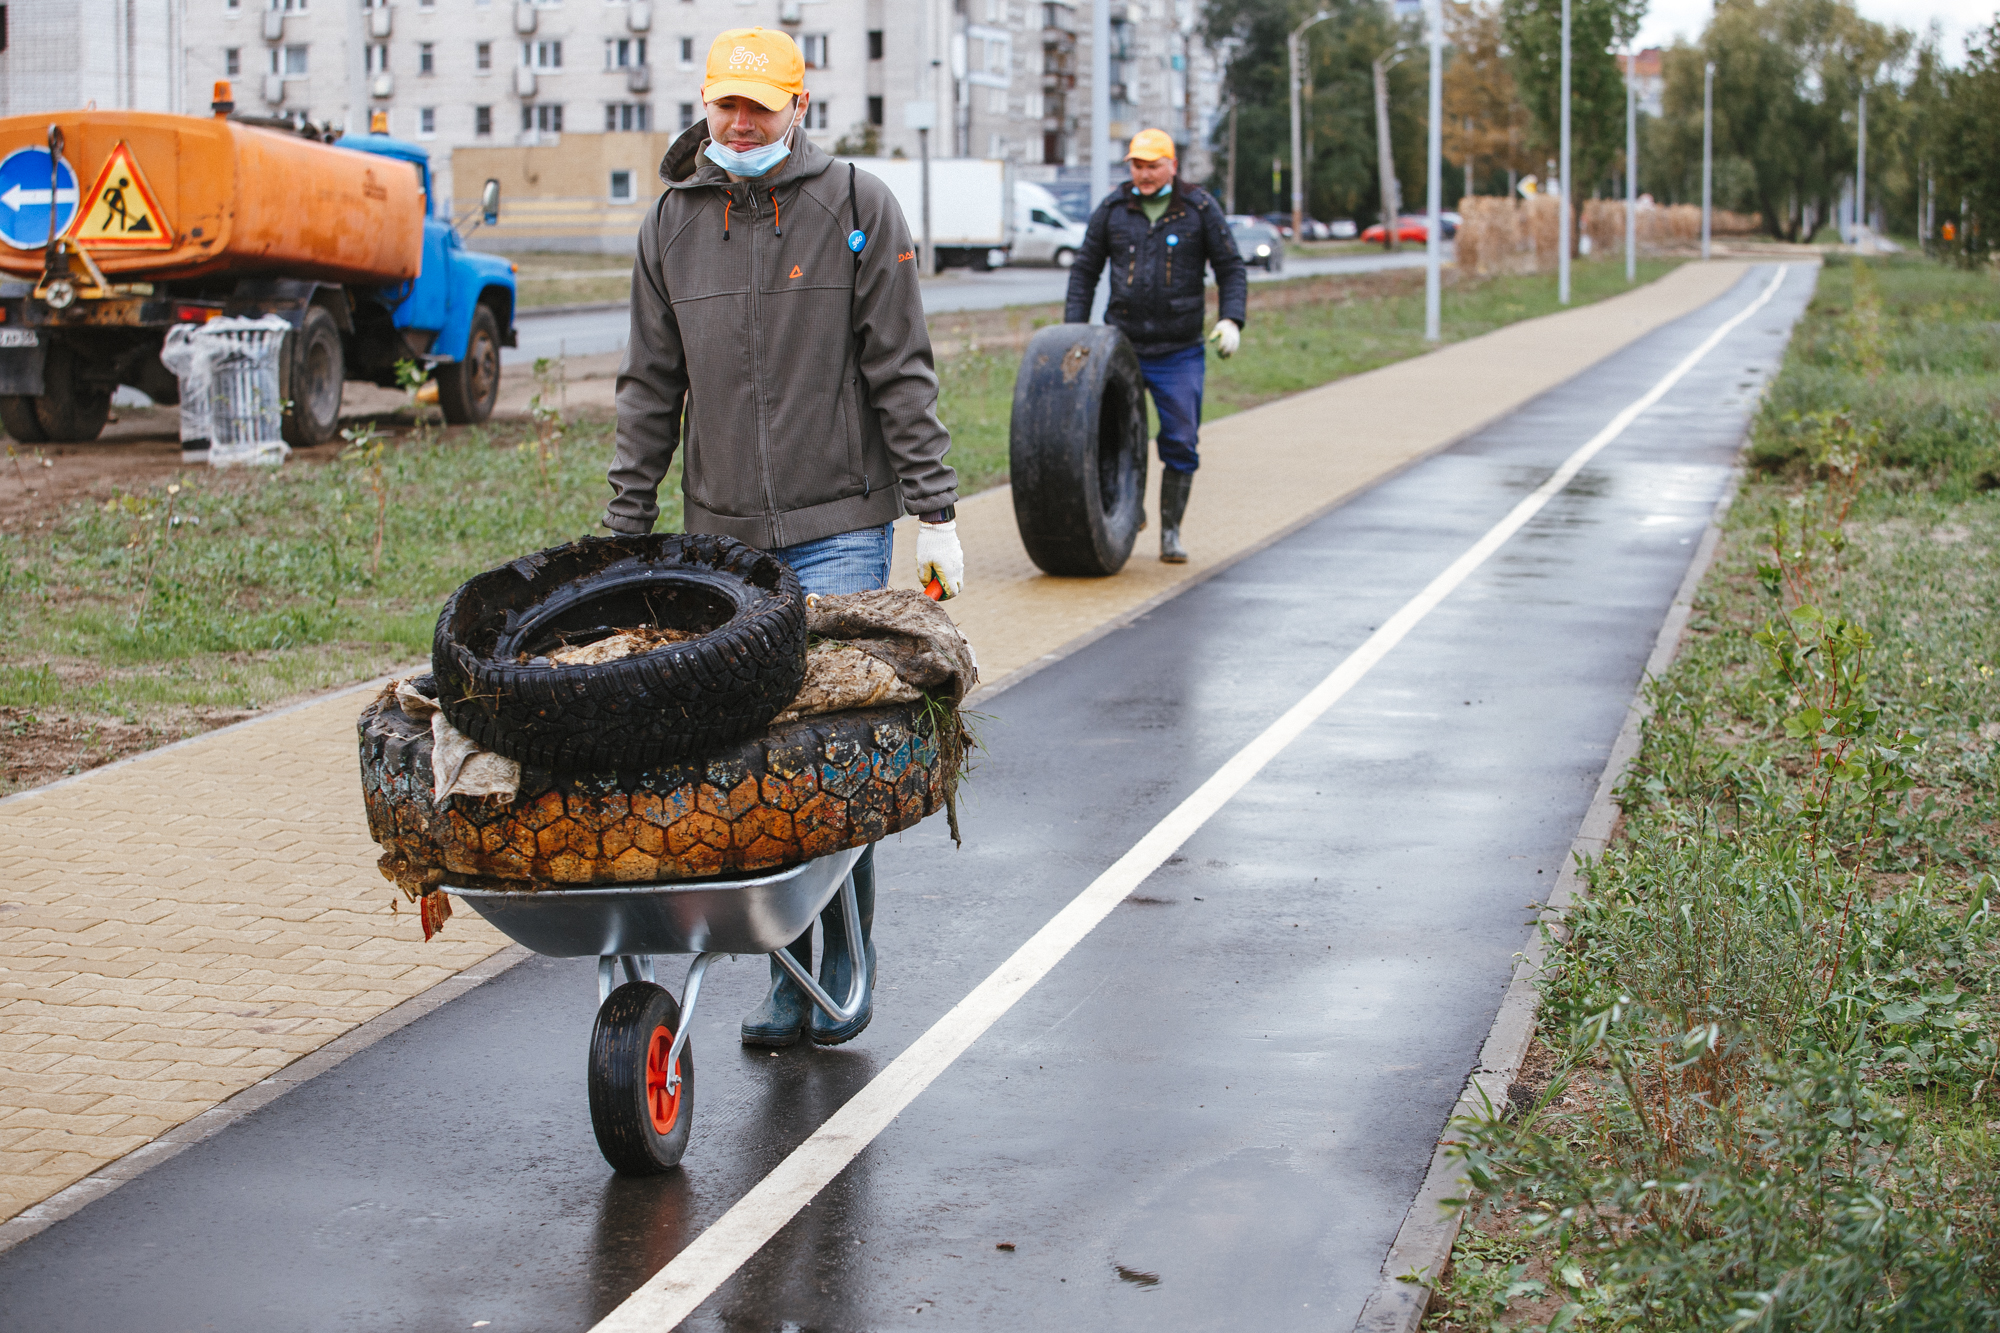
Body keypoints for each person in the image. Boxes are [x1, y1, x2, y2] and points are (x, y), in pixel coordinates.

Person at [602, 26, 965, 1048]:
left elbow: (901, 367)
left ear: (797, 106)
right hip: (724, 541)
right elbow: (647, 394)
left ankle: (836, 960)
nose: (740, 121)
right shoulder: (669, 227)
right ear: (705, 103)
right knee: (757, 758)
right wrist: (623, 534)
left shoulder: (853, 206)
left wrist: (934, 511)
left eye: (759, 104)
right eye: (726, 102)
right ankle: (791, 967)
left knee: (822, 749)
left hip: (842, 520)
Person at [1064, 128, 1248, 563]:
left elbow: (1231, 267)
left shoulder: (1199, 209)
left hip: (1179, 349)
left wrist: (1231, 319)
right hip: (1120, 347)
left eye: (1152, 166)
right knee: (1110, 435)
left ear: (1172, 165)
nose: (1143, 175)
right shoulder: (1113, 208)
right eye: (1137, 166)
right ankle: (1127, 508)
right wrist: (1073, 330)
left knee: (1181, 440)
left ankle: (1170, 532)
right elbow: (1085, 271)